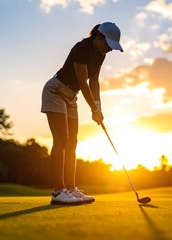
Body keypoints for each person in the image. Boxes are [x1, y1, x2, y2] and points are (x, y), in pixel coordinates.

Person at [41, 22, 123, 205]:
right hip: (55, 91)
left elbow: (94, 81)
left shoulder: (100, 55)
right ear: (98, 37)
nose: (109, 49)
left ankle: (70, 189)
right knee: (61, 139)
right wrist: (93, 109)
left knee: (73, 142)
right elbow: (82, 81)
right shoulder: (81, 48)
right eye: (108, 44)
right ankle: (58, 192)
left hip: (71, 97)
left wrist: (99, 107)